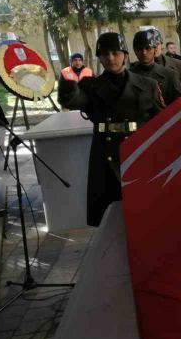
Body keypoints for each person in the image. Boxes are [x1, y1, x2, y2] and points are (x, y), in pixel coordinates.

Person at [57, 32, 164, 227]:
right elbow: (74, 100)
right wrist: (67, 86)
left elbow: (162, 121)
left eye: (115, 53)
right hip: (105, 154)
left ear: (125, 54)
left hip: (138, 152)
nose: (111, 58)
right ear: (99, 57)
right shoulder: (90, 86)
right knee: (111, 215)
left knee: (145, 212)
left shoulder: (148, 85)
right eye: (105, 54)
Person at [129, 29, 181, 106]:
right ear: (135, 51)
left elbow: (180, 104)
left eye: (148, 48)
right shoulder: (128, 76)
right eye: (140, 49)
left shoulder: (170, 74)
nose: (144, 53)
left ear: (155, 49)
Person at [152, 29, 181, 101]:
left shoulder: (177, 62)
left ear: (161, 45)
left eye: (157, 44)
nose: (155, 48)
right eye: (151, 46)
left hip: (175, 102)